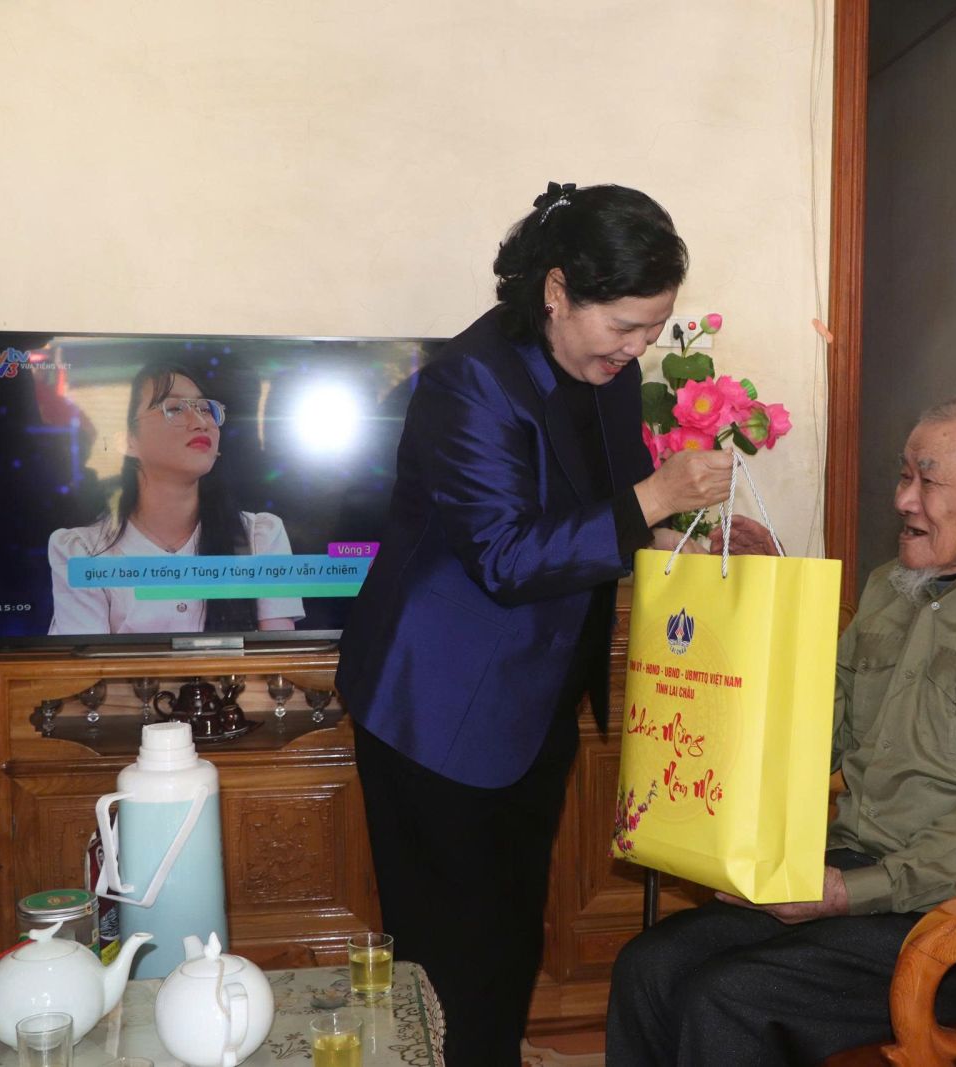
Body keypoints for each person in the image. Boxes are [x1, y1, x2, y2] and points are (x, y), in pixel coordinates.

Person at [606, 393, 956, 1066]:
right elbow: (814, 728)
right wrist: (766, 597)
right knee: (649, 964)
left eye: (926, 480)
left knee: (729, 996)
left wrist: (849, 892)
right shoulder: (894, 589)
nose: (902, 499)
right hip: (865, 868)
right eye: (903, 475)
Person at [336, 183, 734, 1067]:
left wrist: (685, 539)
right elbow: (506, 555)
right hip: (437, 704)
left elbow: (606, 513)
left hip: (534, 694)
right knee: (449, 950)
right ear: (557, 290)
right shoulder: (470, 384)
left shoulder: (608, 374)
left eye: (653, 329)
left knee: (512, 929)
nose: (636, 349)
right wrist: (655, 497)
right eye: (623, 325)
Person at [47, 361, 302, 635]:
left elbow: (278, 657)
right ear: (128, 441)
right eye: (175, 409)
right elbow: (83, 661)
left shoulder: (259, 537)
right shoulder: (83, 552)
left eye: (206, 409)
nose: (201, 422)